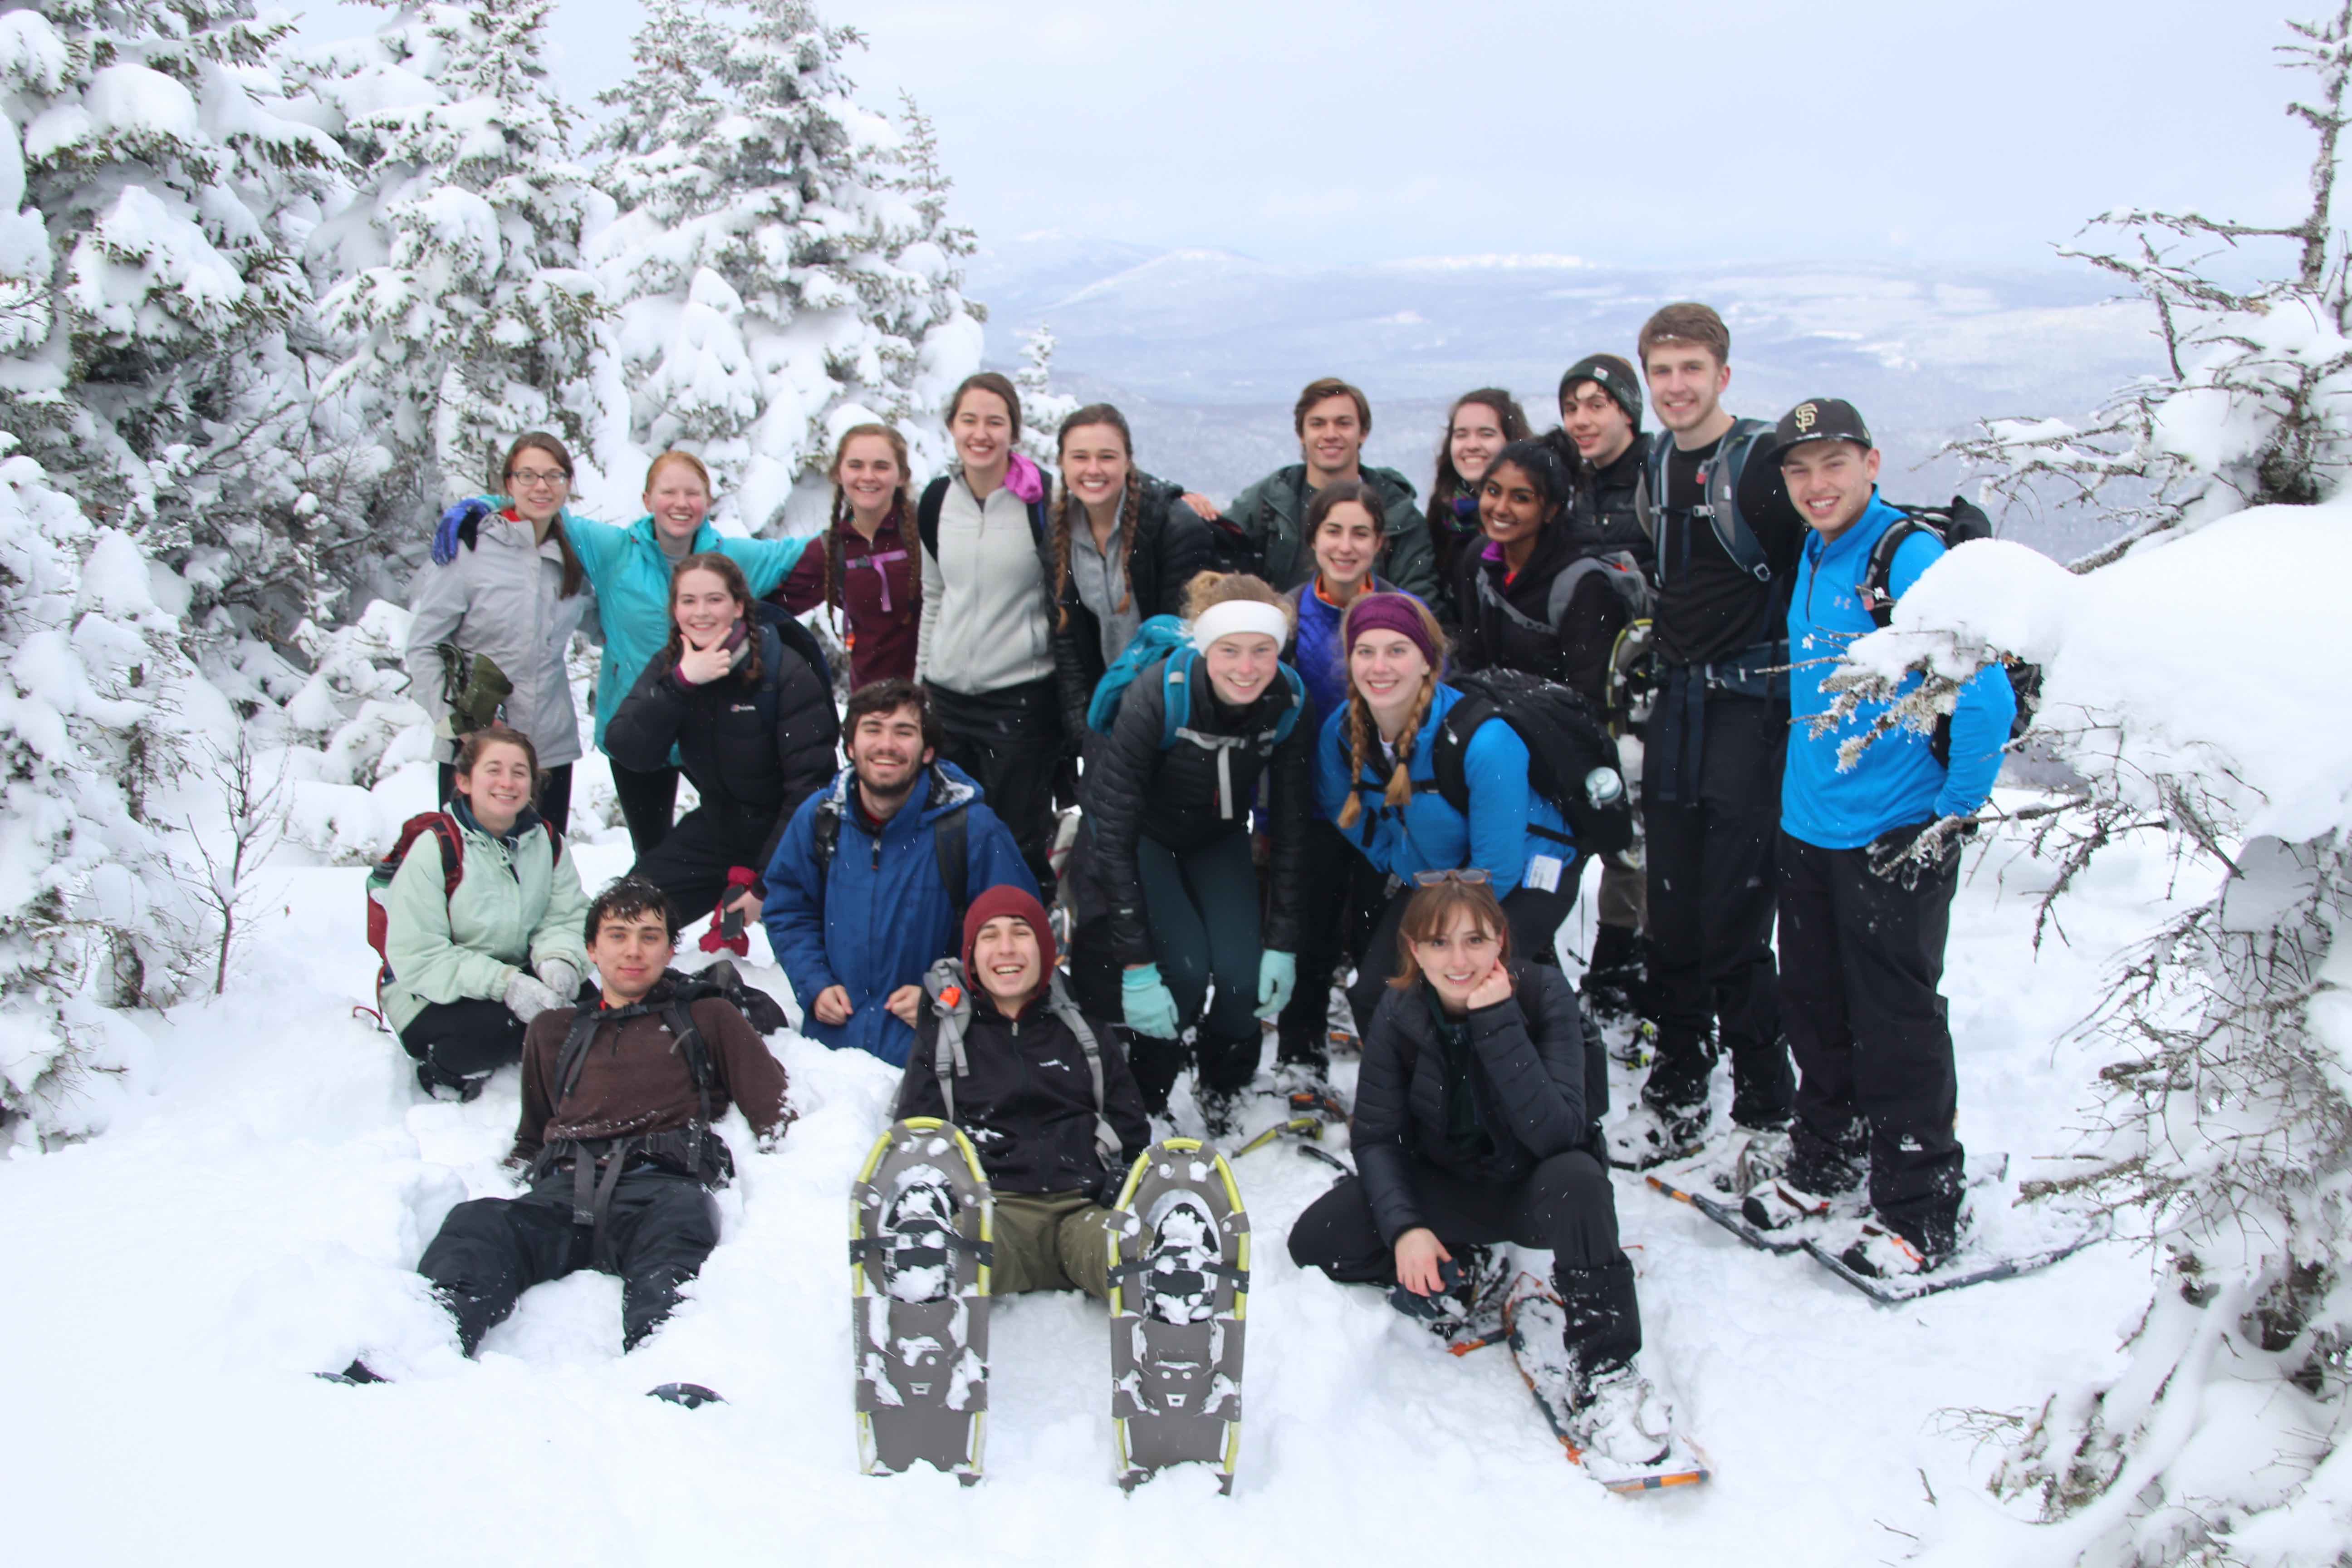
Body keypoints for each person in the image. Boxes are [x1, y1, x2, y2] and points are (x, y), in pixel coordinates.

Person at [1740, 399, 2014, 1278]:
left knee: (1895, 1022)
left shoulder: (1911, 557)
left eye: (1833, 464)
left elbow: (1984, 696)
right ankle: (1828, 1155)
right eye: (1799, 470)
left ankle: (1922, 1207)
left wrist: (1950, 813)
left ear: (1872, 462)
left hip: (1894, 831)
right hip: (1810, 827)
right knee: (1815, 1006)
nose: (1816, 485)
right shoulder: (1817, 554)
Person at [1286, 877, 1668, 1466]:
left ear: (1501, 942)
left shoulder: (1543, 996)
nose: (1458, 960)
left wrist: (1496, 1023)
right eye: (1439, 944)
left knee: (1581, 1180)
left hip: (1533, 1190)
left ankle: (1607, 1370)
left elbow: (1561, 1131)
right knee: (1315, 1240)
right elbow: (1379, 1138)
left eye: (1474, 941)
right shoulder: (1400, 1009)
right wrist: (1408, 1228)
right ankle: (1461, 1266)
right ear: (1414, 950)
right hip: (1448, 1188)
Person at [400, 878, 789, 1362]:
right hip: (565, 1193)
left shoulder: (708, 1016)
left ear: (671, 949)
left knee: (677, 1249)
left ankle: (668, 1360)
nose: (634, 950)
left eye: (650, 936)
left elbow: (776, 1108)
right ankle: (423, 1342)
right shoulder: (553, 1030)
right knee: (477, 1223)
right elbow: (534, 1132)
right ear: (591, 948)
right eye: (618, 935)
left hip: (662, 1189)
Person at [1608, 302, 1800, 1174]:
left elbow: (1834, 537)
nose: (1675, 386)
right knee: (1670, 914)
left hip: (1752, 713)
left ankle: (1766, 1103)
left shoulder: (1759, 465)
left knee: (1731, 920)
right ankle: (1679, 1088)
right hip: (1681, 708)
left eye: (1691, 369)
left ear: (1723, 374)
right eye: (1661, 372)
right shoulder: (1655, 462)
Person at [431, 448, 825, 855]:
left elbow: (805, 555)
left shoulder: (733, 558)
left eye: (692, 494)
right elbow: (546, 506)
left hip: (714, 730)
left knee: (744, 843)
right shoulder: (614, 551)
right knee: (653, 853)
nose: (680, 504)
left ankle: (739, 911)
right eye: (668, 492)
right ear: (647, 500)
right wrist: (483, 505)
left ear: (708, 502)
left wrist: (875, 522)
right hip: (639, 725)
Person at [1069, 573, 1311, 1132]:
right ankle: (1147, 1096)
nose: (1246, 669)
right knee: (1178, 972)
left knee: (1240, 981)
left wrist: (1283, 943)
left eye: (1262, 651)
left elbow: (1294, 828)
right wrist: (1134, 965)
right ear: (1205, 646)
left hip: (1218, 838)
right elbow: (1113, 828)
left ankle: (1223, 1082)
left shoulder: (1290, 699)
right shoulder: (1158, 694)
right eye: (1229, 651)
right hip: (1145, 838)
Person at [1318, 593, 1581, 1037]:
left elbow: (1497, 868)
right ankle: (1407, 1101)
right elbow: (1340, 807)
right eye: (1366, 652)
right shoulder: (1343, 732)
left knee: (1460, 997)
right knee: (1377, 997)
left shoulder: (1485, 740)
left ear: (1428, 662)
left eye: (1397, 651)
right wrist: (1395, 860)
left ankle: (1531, 1086)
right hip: (1438, 875)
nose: (1379, 667)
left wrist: (1443, 951)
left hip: (1527, 871)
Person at [892, 885, 1152, 1298]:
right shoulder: (945, 1034)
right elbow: (916, 1132)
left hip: (1083, 1213)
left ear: (1046, 948)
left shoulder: (1082, 1027)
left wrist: (1118, 1178)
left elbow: (1129, 1122)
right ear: (973, 955)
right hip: (993, 1216)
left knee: (1137, 1259)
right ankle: (922, 1309)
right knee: (943, 1259)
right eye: (990, 937)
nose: (1006, 949)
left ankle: (1174, 1304)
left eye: (1021, 933)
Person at [762, 679, 1037, 1067]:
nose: (887, 745)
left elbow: (1020, 938)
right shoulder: (821, 819)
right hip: (831, 1058)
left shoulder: (971, 829)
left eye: (904, 732)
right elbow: (788, 909)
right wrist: (814, 983)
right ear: (851, 747)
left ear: (927, 752)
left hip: (939, 1053)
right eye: (873, 729)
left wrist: (948, 993)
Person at [603, 553, 839, 937]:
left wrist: (765, 884)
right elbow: (630, 750)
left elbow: (811, 791)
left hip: (795, 838)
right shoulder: (673, 666)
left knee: (817, 951)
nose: (701, 613)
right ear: (675, 609)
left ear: (739, 606)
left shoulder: (786, 671)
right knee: (624, 919)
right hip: (719, 827)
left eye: (715, 600)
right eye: (689, 601)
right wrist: (681, 684)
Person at [1276, 483, 1417, 1078]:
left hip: (1383, 807)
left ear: (1380, 544)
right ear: (1313, 539)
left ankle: (1385, 1053)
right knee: (1308, 937)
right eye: (1334, 531)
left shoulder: (1400, 611)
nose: (1346, 544)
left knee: (1373, 937)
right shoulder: (1286, 615)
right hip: (1307, 804)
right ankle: (1300, 1052)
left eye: (1361, 533)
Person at [380, 723, 589, 1101]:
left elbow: (565, 917)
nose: (507, 783)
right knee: (493, 1033)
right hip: (428, 991)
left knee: (594, 1013)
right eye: (493, 770)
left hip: (518, 975)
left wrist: (559, 961)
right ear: (463, 781)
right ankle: (443, 1074)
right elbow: (420, 955)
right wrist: (505, 984)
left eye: (519, 772)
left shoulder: (547, 842)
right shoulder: (437, 848)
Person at [1543, 353, 1658, 1025]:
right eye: (1572, 405)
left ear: (1627, 409)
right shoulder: (1568, 481)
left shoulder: (1657, 475)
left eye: (1596, 403)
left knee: (1632, 840)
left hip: (1640, 688)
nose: (1582, 418)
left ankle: (1624, 963)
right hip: (1579, 682)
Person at [916, 372, 1062, 888]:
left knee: (1017, 835)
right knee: (947, 832)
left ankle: (1021, 954)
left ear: (1013, 432)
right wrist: (921, 686)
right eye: (969, 420)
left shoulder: (1041, 501)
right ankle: (954, 946)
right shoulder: (936, 502)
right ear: (952, 428)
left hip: (1018, 699)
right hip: (948, 698)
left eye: (995, 422)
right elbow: (934, 596)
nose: (981, 433)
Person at [406, 434, 595, 832]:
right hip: (476, 751)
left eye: (553, 476)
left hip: (547, 749)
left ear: (567, 484)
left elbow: (605, 625)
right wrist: (459, 725)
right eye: (527, 475)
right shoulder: (471, 550)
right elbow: (424, 645)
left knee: (542, 871)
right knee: (471, 873)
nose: (541, 486)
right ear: (509, 483)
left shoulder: (575, 557)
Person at [1044, 403, 1212, 755]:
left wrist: (1148, 729)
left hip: (1171, 716)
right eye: (1080, 457)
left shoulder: (1172, 527)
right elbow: (1068, 641)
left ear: (1128, 460)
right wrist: (1086, 729)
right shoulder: (1060, 532)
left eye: (1107, 457)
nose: (1093, 470)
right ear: (1062, 462)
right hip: (1109, 715)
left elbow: (1180, 640)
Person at [1220, 376, 1439, 600]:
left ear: (1363, 432)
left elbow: (1420, 600)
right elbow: (1217, 553)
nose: (1331, 434)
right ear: (1301, 435)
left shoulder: (1398, 513)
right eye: (1318, 424)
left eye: (1343, 423)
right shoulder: (1269, 501)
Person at [1454, 438, 1640, 702]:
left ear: (1551, 511)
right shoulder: (1479, 559)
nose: (1500, 508)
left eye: (1521, 498)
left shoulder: (1583, 585)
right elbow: (1472, 660)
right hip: (1495, 719)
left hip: (1557, 729)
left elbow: (1587, 698)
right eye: (1493, 491)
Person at [819, 423, 922, 690]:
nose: (868, 476)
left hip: (932, 699)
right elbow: (780, 594)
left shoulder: (926, 531)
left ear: (902, 476)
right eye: (855, 466)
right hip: (870, 702)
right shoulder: (834, 547)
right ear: (838, 473)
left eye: (881, 466)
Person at [1422, 389, 1530, 623]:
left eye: (1486, 434)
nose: (1472, 445)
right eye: (1461, 435)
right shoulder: (1443, 514)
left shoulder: (1533, 518)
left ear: (1512, 442)